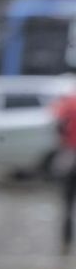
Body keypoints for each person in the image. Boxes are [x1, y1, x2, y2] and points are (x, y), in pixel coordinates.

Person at [53, 91, 76, 253]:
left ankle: (66, 242)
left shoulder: (68, 103)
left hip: (70, 155)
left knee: (68, 203)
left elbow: (59, 127)